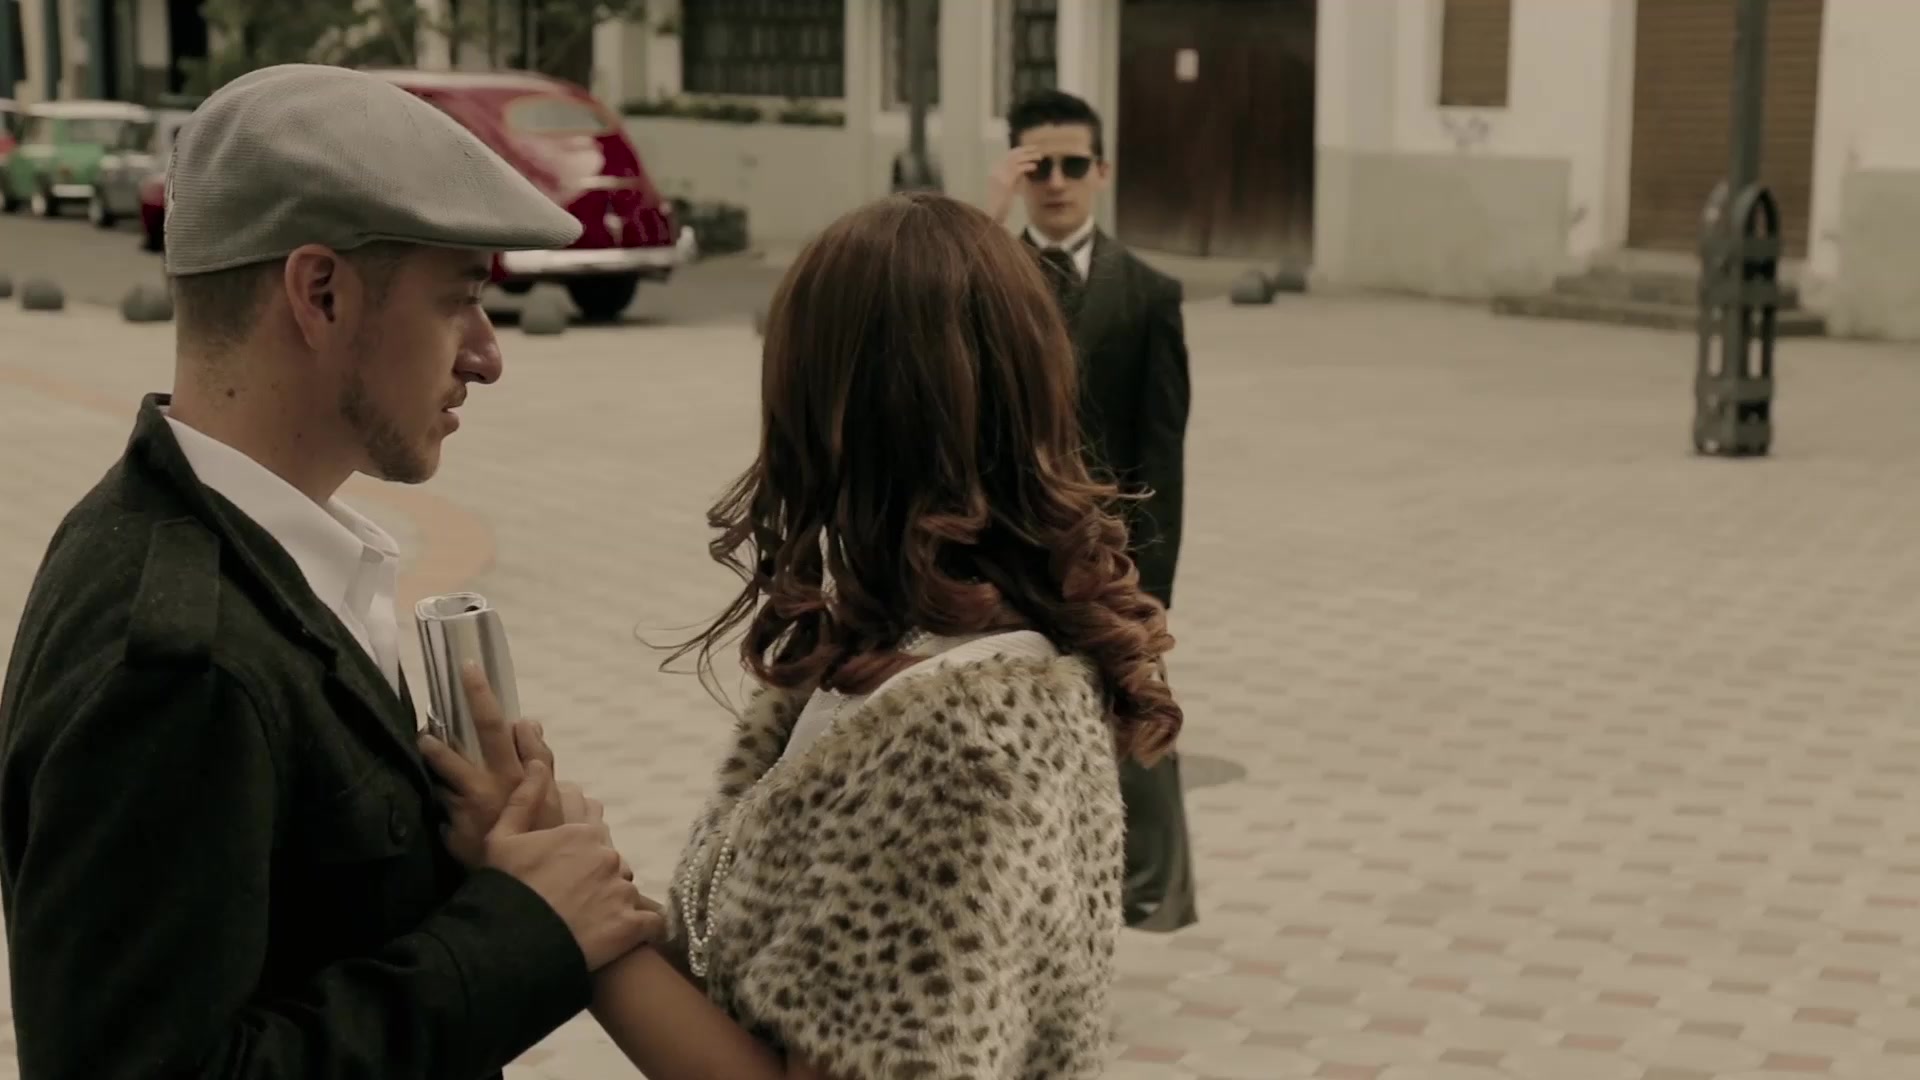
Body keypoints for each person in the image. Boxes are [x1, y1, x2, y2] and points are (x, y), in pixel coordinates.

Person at [420, 192, 1184, 1079]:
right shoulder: (901, 657)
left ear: (839, 408)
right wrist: (561, 857)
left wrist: (562, 922)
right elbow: (761, 994)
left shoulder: (960, 742)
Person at [0, 64, 658, 1080]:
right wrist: (523, 930)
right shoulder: (180, 660)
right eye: (459, 300)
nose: (487, 355)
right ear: (320, 294)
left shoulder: (252, 553)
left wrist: (472, 854)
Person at [986, 88, 1200, 932]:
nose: (1057, 182)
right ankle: (1024, 900)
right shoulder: (985, 276)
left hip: (1106, 556)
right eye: (1038, 166)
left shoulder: (1149, 294)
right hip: (1001, 550)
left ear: (1102, 171)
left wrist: (1153, 582)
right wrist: (984, 220)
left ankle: (1148, 894)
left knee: (1132, 717)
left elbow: (1163, 451)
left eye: (1074, 165)